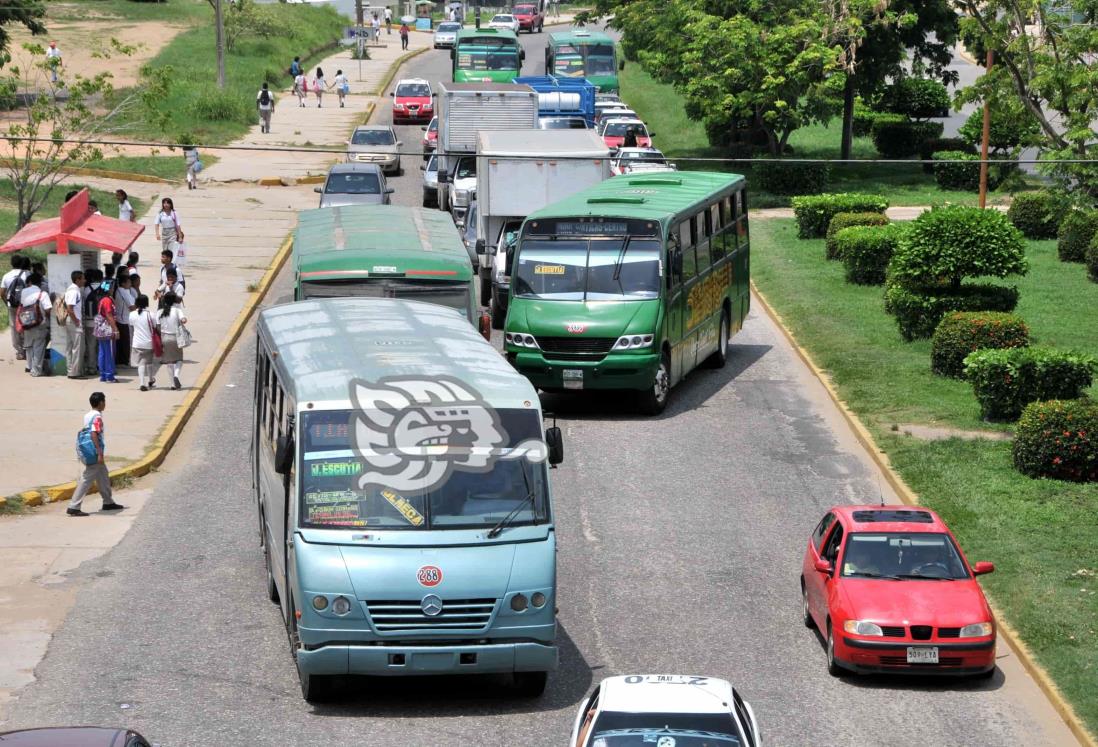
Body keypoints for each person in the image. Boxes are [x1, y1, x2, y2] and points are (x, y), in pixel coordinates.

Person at [67, 392, 125, 516]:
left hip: (86, 449)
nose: (105, 404)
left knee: (103, 474)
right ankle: (74, 506)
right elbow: (94, 434)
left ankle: (108, 502)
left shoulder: (88, 415)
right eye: (104, 401)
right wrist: (99, 453)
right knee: (87, 477)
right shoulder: (97, 417)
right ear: (101, 403)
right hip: (93, 451)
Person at [18, 272, 52, 376]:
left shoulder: (24, 291)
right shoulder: (43, 294)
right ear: (40, 283)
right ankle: (36, 371)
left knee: (29, 346)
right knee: (39, 346)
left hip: (26, 322)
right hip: (40, 324)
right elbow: (48, 309)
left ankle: (29, 366)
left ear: (30, 282)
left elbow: (22, 304)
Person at [2, 255, 29, 360]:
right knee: (26, 326)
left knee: (14, 328)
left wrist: (7, 303)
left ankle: (19, 352)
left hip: (12, 305)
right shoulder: (27, 274)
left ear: (11, 264)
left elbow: (2, 293)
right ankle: (27, 349)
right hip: (24, 305)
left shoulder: (6, 276)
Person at [158, 292, 187, 390]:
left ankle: (172, 384)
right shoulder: (177, 310)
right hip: (176, 338)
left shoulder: (160, 311)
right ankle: (176, 375)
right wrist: (182, 321)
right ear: (174, 300)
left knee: (169, 362)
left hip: (165, 338)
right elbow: (184, 320)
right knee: (179, 359)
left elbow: (157, 326)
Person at [130, 294, 158, 391]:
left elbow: (131, 325)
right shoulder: (151, 314)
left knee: (141, 363)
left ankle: (142, 383)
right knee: (149, 361)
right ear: (147, 303)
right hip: (149, 342)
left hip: (137, 342)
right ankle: (150, 379)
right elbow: (155, 327)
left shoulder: (132, 314)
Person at [93, 277, 119, 383]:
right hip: (108, 329)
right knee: (110, 352)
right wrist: (115, 329)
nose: (113, 289)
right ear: (109, 288)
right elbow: (109, 315)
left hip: (100, 330)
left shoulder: (101, 299)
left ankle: (103, 375)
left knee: (102, 351)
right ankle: (110, 375)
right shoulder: (108, 300)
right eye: (112, 287)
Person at [63, 270, 85, 378]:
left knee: (70, 347)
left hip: (71, 321)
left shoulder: (71, 289)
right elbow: (70, 309)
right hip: (73, 322)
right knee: (77, 348)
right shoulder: (74, 291)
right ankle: (74, 372)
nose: (84, 281)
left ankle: (71, 371)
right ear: (77, 280)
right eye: (83, 278)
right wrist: (76, 321)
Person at [81, 269, 102, 377]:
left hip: (89, 322)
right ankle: (101, 365)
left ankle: (91, 367)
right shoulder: (104, 287)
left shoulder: (85, 290)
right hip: (102, 323)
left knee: (91, 345)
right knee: (102, 346)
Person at [114, 272, 135, 368]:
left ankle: (120, 360)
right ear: (123, 283)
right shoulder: (124, 291)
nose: (130, 284)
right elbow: (131, 307)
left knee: (120, 342)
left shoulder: (119, 290)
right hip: (124, 320)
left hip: (119, 318)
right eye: (128, 283)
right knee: (126, 342)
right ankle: (125, 360)